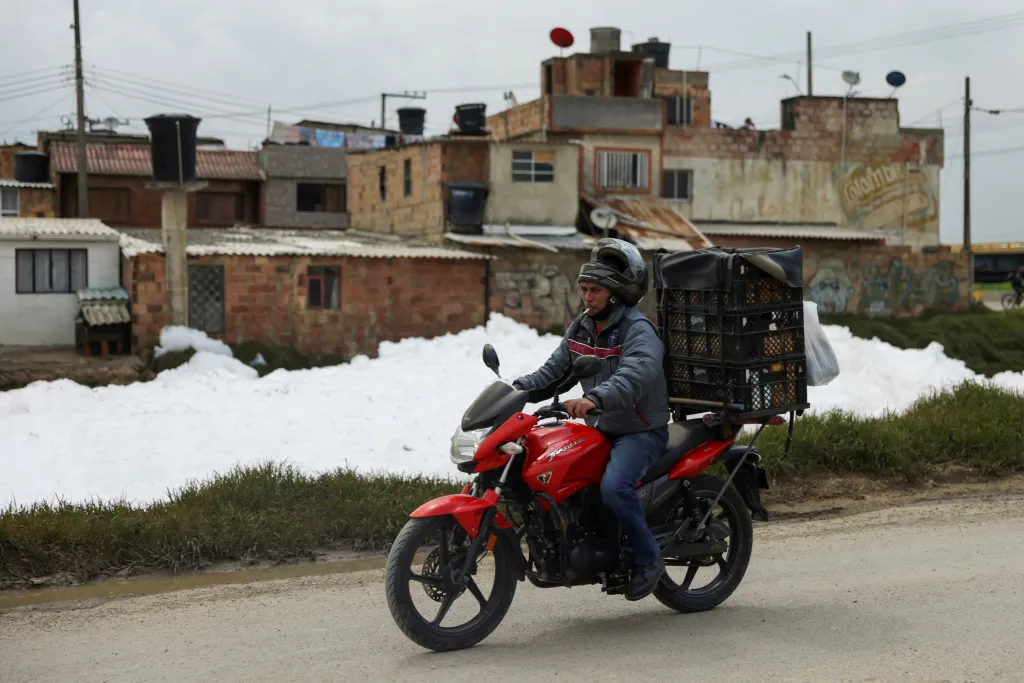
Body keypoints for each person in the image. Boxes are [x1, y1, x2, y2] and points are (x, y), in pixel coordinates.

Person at [512, 238, 671, 601]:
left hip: (640, 431)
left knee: (614, 487)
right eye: (584, 289)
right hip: (601, 429)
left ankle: (649, 560)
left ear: (616, 294)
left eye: (595, 290)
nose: (587, 297)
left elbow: (635, 375)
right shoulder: (583, 326)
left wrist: (594, 398)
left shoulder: (638, 330)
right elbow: (555, 371)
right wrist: (516, 391)